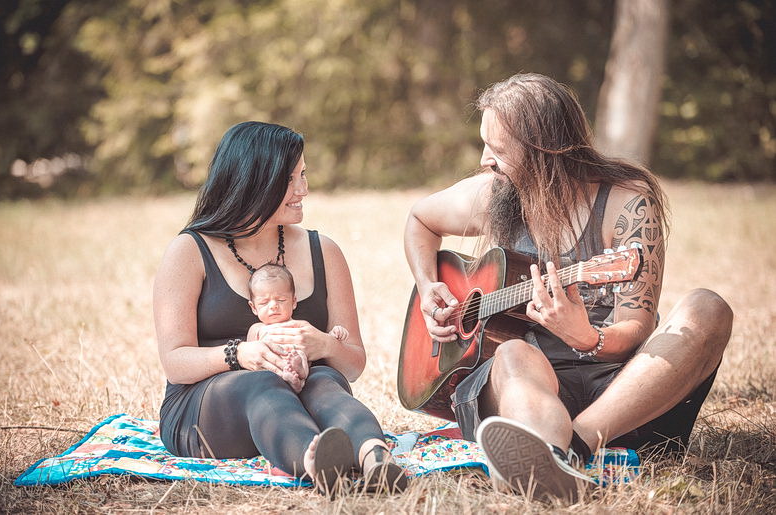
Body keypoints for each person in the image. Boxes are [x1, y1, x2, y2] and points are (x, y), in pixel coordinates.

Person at [403, 73, 733, 501]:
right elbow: (419, 219)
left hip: (618, 395)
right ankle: (546, 451)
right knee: (512, 352)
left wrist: (587, 337)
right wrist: (429, 285)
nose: (485, 159)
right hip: (525, 385)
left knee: (707, 307)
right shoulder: (496, 193)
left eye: (498, 149)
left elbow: (635, 327)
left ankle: (567, 451)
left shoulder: (626, 203)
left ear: (544, 149)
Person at [154, 121, 407, 496]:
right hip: (206, 407)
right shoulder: (190, 251)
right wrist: (242, 354)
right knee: (262, 384)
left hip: (305, 390)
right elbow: (175, 361)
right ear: (255, 181)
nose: (303, 189)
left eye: (303, 175)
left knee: (327, 384)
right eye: (291, 180)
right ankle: (315, 462)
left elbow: (353, 364)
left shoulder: (325, 251)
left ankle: (375, 457)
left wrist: (324, 346)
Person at [245, 263, 349, 392]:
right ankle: (290, 376)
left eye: (281, 300)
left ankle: (297, 374)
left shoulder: (299, 326)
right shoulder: (257, 328)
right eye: (264, 302)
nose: (273, 306)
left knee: (298, 355)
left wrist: (333, 335)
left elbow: (317, 341)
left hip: (298, 363)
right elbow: (251, 350)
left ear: (294, 302)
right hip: (268, 371)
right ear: (254, 307)